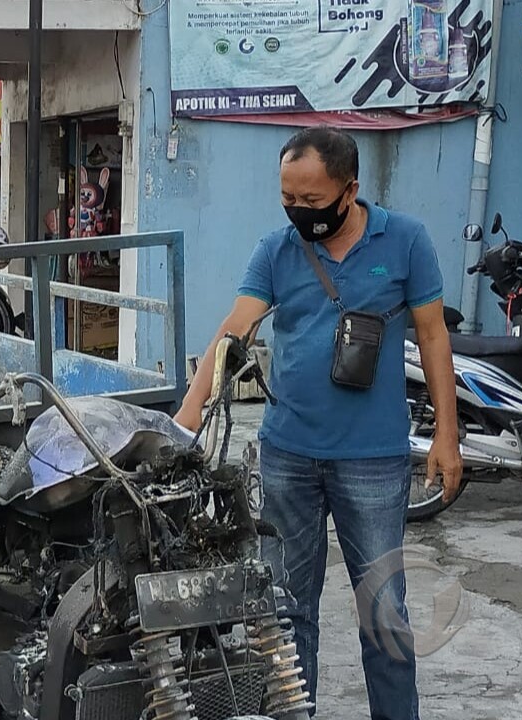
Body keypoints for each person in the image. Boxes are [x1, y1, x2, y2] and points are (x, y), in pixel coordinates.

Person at [175, 126, 461, 720]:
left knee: (384, 610)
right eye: (288, 199)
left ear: (349, 189)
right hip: (288, 456)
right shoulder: (276, 249)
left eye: (312, 201)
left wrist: (447, 436)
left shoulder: (404, 240)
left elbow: (433, 336)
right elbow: (234, 330)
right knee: (284, 610)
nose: (299, 212)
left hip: (374, 460)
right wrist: (190, 410)